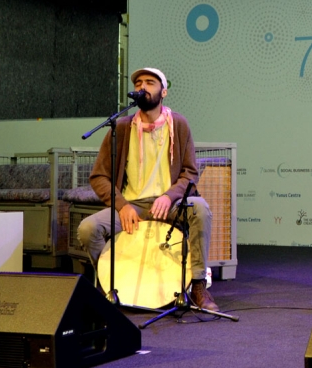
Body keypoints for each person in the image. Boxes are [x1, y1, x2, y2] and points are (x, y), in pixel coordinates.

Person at [78, 67, 219, 312]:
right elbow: (99, 176)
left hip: (169, 204)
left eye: (150, 82)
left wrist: (168, 196)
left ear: (163, 92)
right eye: (139, 83)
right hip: (133, 206)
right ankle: (110, 282)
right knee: (88, 228)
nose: (142, 87)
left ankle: (198, 285)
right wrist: (122, 206)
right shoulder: (121, 128)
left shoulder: (179, 124)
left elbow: (190, 172)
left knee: (200, 209)